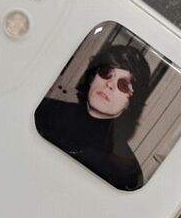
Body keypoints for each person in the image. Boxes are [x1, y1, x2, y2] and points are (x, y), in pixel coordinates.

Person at [35, 45, 150, 191]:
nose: (109, 84)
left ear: (130, 103)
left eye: (123, 85)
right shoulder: (43, 111)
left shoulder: (125, 174)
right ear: (92, 78)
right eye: (106, 72)